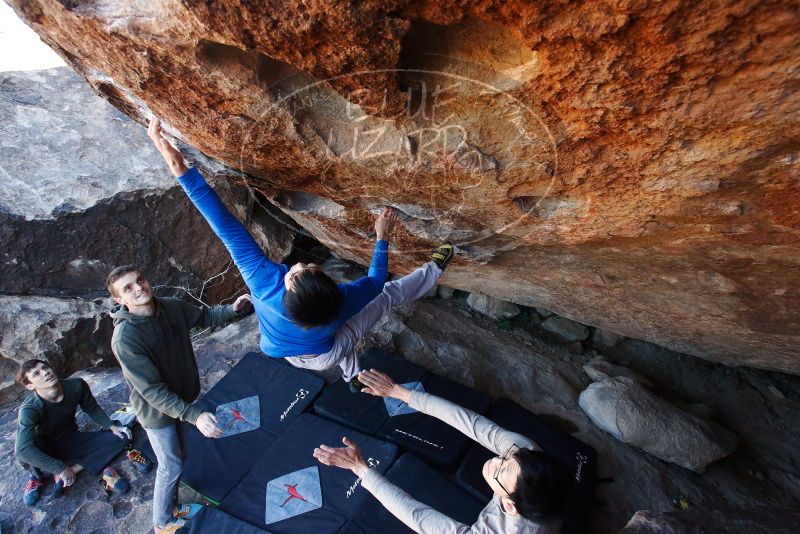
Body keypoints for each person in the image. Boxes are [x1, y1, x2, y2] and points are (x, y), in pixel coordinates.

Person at [146, 118, 454, 389]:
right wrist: (382, 236)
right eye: (304, 270)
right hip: (325, 352)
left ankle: (351, 378)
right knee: (386, 297)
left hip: (288, 352)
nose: (301, 263)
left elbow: (225, 227)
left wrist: (180, 169)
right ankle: (435, 270)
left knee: (341, 334)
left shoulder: (264, 284)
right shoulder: (343, 303)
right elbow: (375, 281)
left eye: (301, 270)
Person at [314, 369, 571, 534]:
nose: (495, 460)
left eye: (500, 470)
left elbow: (419, 517)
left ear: (511, 507)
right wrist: (398, 392)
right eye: (505, 458)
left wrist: (361, 469)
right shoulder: (526, 453)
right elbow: (469, 422)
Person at [107, 265, 252, 534]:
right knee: (170, 464)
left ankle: (174, 508)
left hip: (182, 399)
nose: (138, 287)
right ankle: (162, 522)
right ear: (119, 300)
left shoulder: (170, 307)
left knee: (180, 455)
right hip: (156, 412)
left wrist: (232, 309)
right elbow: (151, 391)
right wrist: (194, 415)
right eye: (128, 288)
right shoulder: (125, 338)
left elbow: (204, 316)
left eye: (140, 279)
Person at [15, 359, 149, 507]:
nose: (45, 372)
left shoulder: (76, 385)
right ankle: (36, 477)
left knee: (122, 436)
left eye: (45, 367)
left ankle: (73, 470)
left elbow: (91, 408)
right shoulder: (30, 409)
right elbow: (22, 449)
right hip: (44, 447)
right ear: (30, 386)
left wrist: (110, 425)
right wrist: (59, 468)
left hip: (70, 440)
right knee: (28, 447)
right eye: (37, 374)